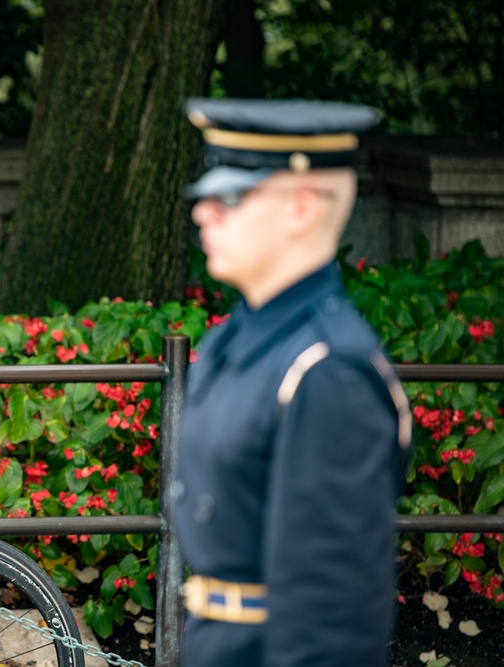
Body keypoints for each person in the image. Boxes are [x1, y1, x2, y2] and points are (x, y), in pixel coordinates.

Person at [171, 99, 413, 667]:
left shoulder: (328, 371)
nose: (204, 211)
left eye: (231, 196)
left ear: (302, 208)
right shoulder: (239, 342)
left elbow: (329, 622)